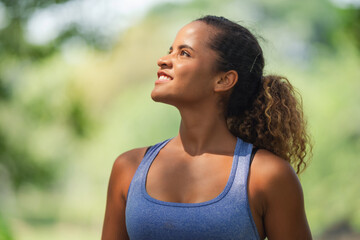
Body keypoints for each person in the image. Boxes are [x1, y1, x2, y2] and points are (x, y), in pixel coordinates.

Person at [101, 15, 312, 240]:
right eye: (170, 50)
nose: (163, 60)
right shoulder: (129, 168)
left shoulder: (267, 175)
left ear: (223, 80)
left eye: (184, 53)